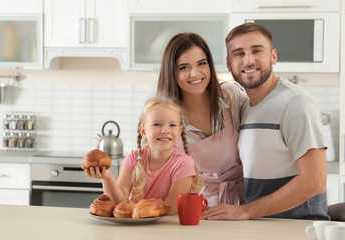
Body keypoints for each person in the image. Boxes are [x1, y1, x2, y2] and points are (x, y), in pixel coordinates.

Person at [202, 22, 329, 220]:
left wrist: (246, 211)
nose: (248, 60)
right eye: (239, 53)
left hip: (295, 228)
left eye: (256, 51)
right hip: (260, 225)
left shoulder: (295, 102)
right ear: (229, 64)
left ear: (273, 56)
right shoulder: (244, 105)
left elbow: (315, 181)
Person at [157, 32, 247, 207]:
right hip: (194, 213)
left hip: (243, 207)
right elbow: (150, 172)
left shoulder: (231, 97)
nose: (195, 73)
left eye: (201, 64)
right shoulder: (164, 119)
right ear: (171, 72)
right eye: (184, 67)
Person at [85, 96, 203, 215]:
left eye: (172, 125)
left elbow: (171, 208)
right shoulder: (133, 157)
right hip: (136, 228)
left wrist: (139, 211)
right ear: (143, 131)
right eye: (157, 124)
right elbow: (119, 201)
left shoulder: (183, 163)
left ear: (180, 131)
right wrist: (106, 177)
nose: (165, 130)